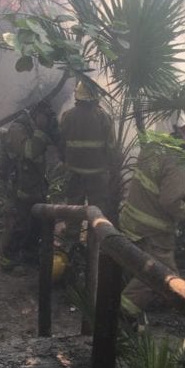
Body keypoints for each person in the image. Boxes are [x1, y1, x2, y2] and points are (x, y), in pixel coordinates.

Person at [118, 122, 185, 310]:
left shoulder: (153, 147)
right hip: (153, 232)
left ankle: (131, 312)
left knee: (137, 266)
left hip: (130, 221)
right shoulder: (176, 162)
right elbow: (170, 202)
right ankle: (124, 316)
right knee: (161, 275)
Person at [0, 101, 60, 271]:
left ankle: (29, 254)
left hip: (36, 185)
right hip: (20, 186)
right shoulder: (17, 128)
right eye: (45, 116)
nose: (47, 120)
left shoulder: (36, 126)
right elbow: (29, 152)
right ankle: (8, 260)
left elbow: (55, 144)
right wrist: (41, 131)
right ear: (36, 114)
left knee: (37, 224)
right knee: (19, 224)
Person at [59, 80, 116, 252]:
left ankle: (71, 245)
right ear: (95, 96)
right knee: (97, 211)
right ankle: (95, 246)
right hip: (97, 175)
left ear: (78, 95)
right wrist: (111, 169)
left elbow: (61, 142)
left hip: (74, 172)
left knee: (74, 209)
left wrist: (66, 162)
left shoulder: (67, 116)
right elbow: (111, 148)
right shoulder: (103, 117)